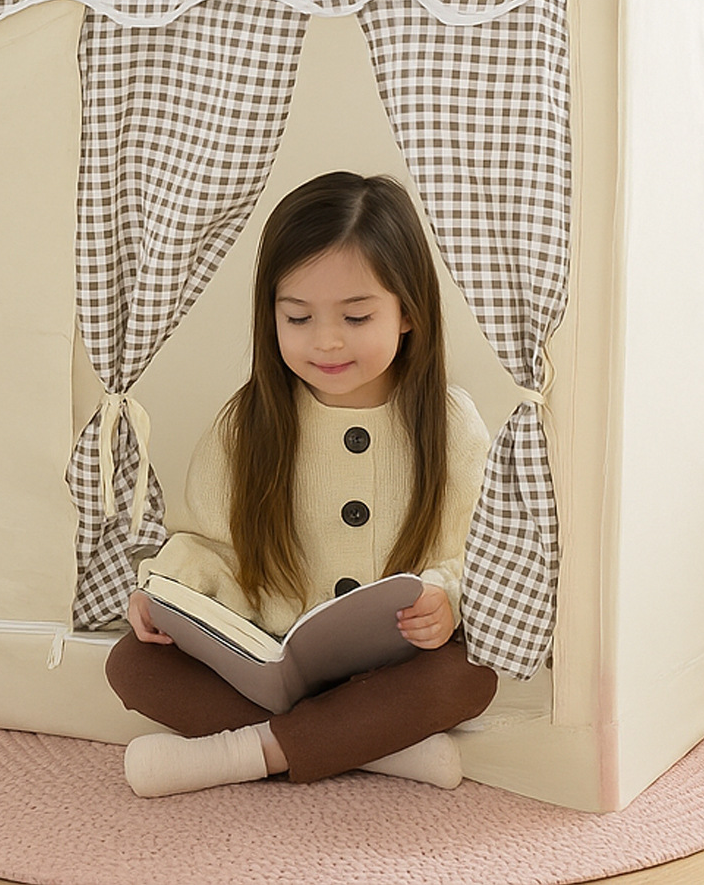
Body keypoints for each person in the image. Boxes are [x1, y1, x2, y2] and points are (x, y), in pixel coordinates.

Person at [106, 171, 497, 798]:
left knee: (470, 677)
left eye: (357, 315)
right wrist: (166, 593)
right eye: (298, 316)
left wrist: (445, 599)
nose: (326, 340)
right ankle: (378, 748)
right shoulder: (248, 423)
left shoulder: (452, 424)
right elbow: (209, 544)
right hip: (269, 657)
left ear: (407, 312)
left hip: (397, 664)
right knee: (134, 664)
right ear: (272, 316)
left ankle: (246, 753)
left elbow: (473, 551)